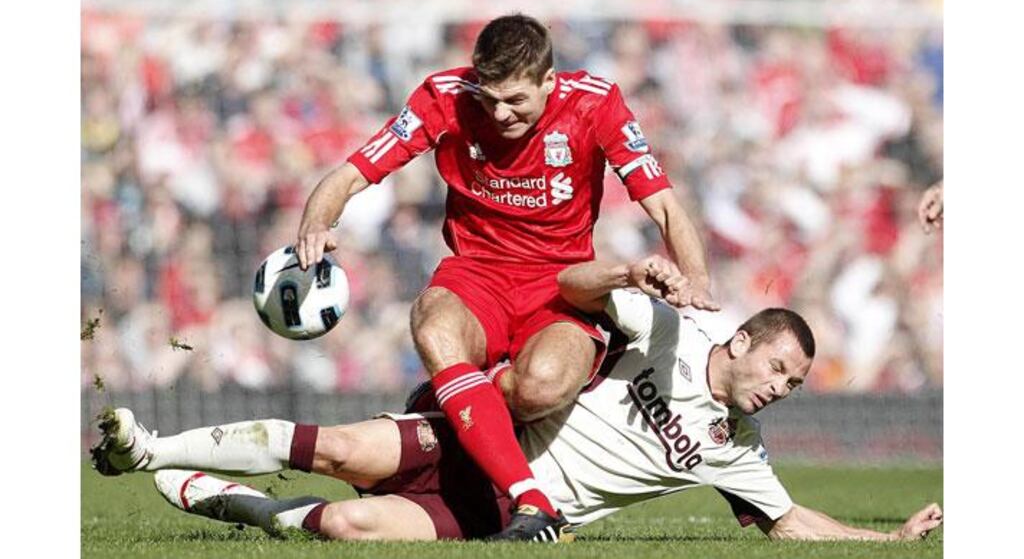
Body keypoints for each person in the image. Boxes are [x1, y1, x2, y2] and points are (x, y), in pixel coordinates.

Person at [92, 256, 942, 543]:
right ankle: (153, 449)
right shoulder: (672, 327)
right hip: (482, 430)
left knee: (351, 527)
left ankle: (230, 504)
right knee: (345, 449)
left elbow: (789, 521)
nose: (782, 389)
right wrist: (625, 270)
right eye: (780, 368)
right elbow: (573, 285)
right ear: (745, 338)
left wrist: (891, 540)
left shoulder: (739, 447)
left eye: (793, 385)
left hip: (506, 511)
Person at [293, 13, 717, 538]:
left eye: (515, 100)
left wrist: (695, 277)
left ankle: (445, 402)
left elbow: (666, 207)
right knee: (433, 324)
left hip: (561, 284)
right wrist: (317, 220)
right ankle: (530, 499)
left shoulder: (595, 103)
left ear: (548, 81)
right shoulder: (444, 97)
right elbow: (356, 170)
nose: (499, 113)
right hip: (477, 275)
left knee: (539, 388)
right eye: (489, 97)